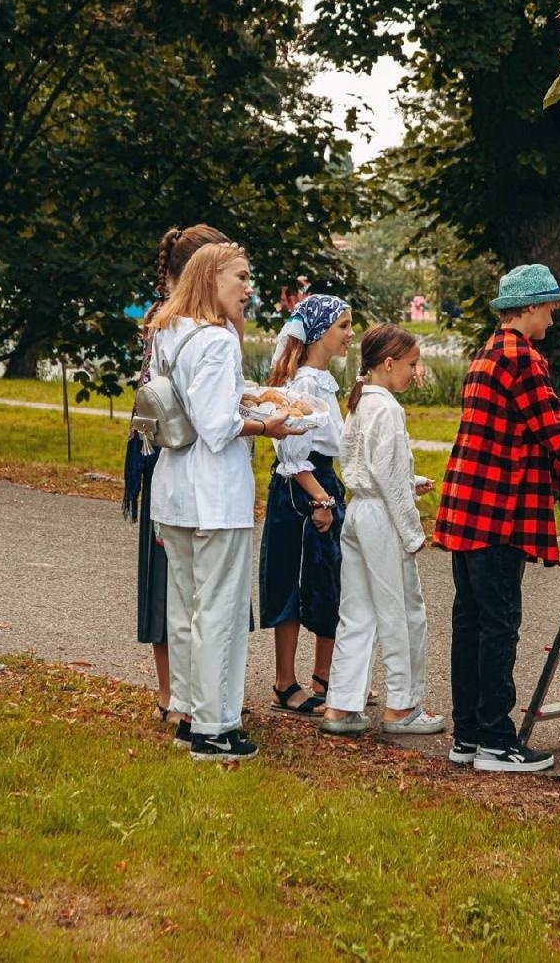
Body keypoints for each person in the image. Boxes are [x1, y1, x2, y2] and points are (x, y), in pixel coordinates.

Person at [434, 263, 560, 773]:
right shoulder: (521, 358)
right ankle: (496, 742)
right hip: (498, 513)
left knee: (470, 624)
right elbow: (554, 432)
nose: (553, 321)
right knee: (499, 627)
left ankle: (467, 736)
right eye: (551, 309)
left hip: (467, 510)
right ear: (532, 307)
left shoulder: (486, 355)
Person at [147, 240, 302, 761]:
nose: (248, 286)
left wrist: (248, 394)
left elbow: (195, 402)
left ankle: (192, 713)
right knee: (221, 610)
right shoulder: (216, 340)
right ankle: (216, 727)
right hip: (214, 494)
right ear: (211, 278)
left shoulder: (171, 331)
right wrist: (268, 425)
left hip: (175, 490)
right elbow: (216, 427)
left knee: (187, 607)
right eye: (240, 276)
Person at [124, 225, 230, 729]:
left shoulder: (167, 322)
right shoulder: (200, 331)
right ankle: (188, 701)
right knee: (194, 596)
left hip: (167, 458)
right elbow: (213, 418)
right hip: (183, 461)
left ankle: (186, 698)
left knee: (185, 592)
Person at [321, 324, 444, 736]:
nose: (415, 371)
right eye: (411, 364)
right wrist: (413, 532)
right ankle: (401, 705)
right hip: (381, 518)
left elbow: (368, 467)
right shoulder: (387, 408)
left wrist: (409, 483)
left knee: (356, 612)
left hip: (358, 511)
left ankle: (340, 704)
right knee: (403, 612)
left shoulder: (359, 404)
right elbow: (387, 476)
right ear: (388, 363)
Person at [258, 293, 354, 716]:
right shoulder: (303, 384)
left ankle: (324, 677)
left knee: (328, 581)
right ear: (319, 333)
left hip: (324, 482)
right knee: (294, 583)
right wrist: (320, 498)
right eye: (343, 326)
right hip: (303, 489)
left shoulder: (322, 379)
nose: (351, 335)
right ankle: (284, 682)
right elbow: (291, 452)